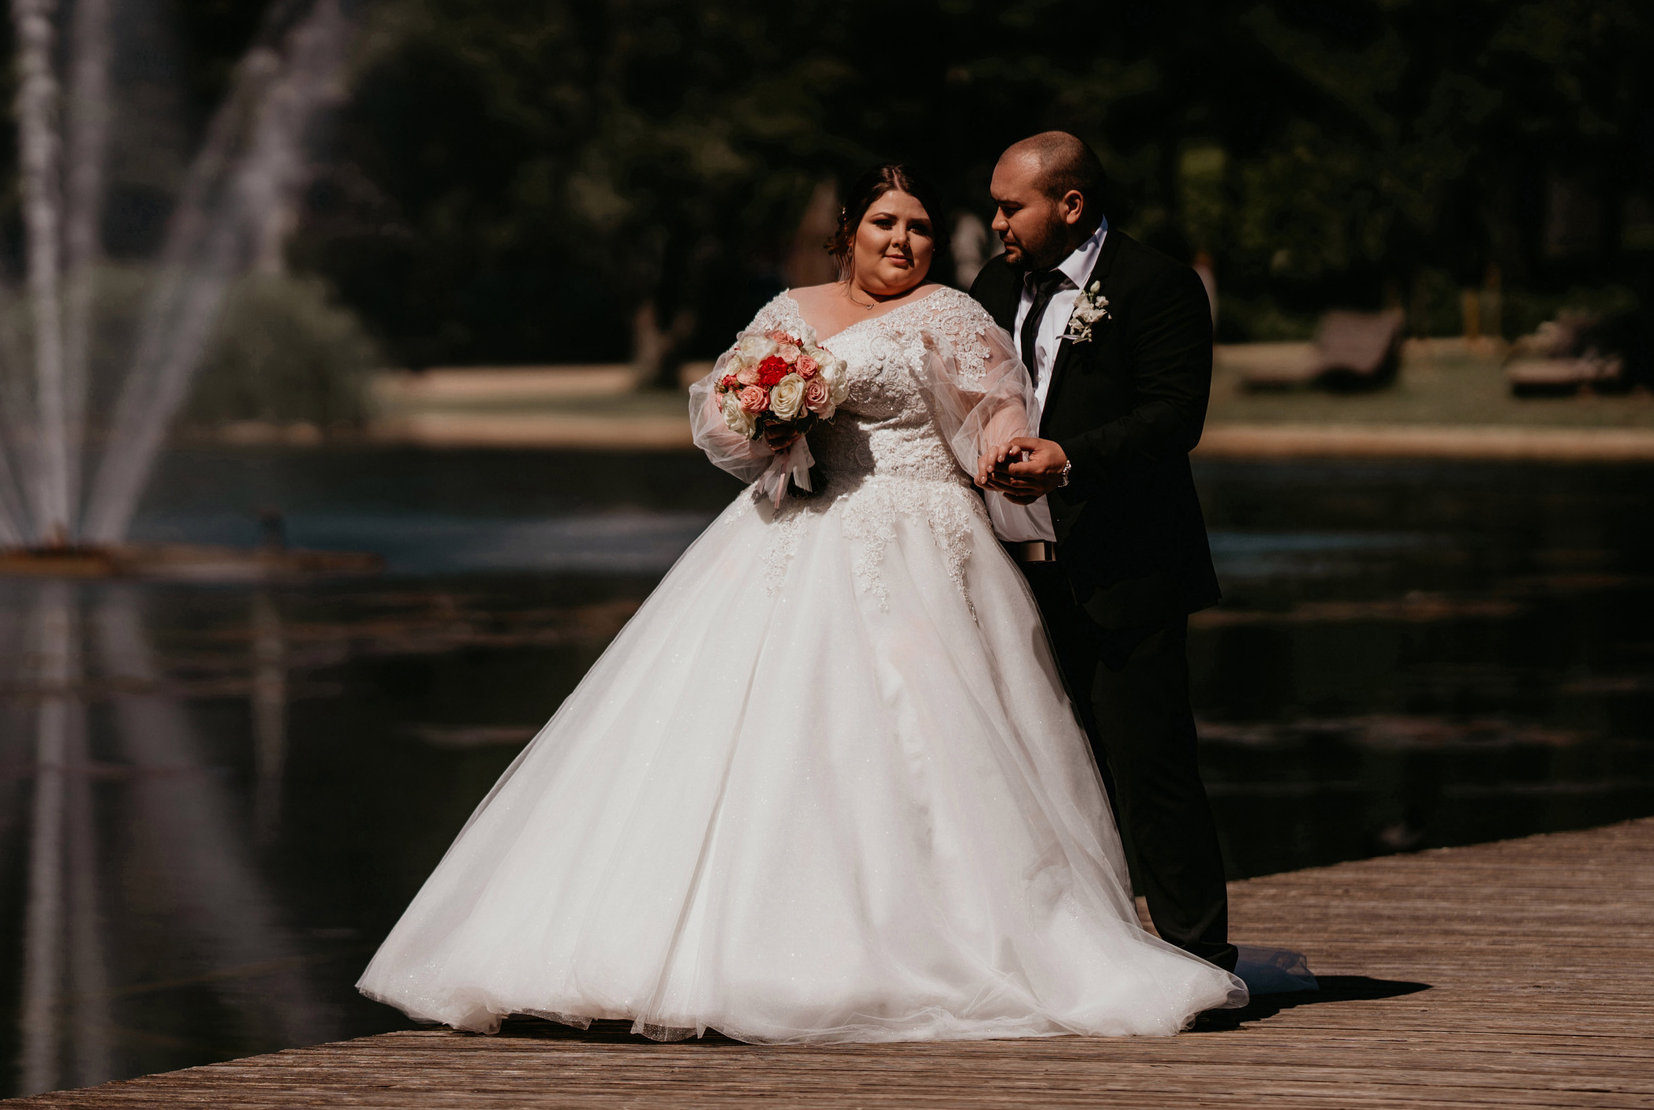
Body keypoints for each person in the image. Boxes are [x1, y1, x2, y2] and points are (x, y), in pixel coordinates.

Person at [357, 164, 1250, 1043]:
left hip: (924, 538)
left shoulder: (952, 309)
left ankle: (965, 937)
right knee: (749, 733)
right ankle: (705, 943)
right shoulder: (788, 312)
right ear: (848, 233)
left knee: (925, 738)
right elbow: (721, 414)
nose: (903, 241)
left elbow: (996, 415)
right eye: (885, 224)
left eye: (920, 228)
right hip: (794, 530)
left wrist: (1016, 455)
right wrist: (767, 423)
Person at [969, 132, 1244, 975]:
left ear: (1071, 204)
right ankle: (1087, 953)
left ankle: (1199, 954)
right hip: (1019, 579)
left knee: (1150, 767)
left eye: (1011, 205)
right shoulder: (989, 287)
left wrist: (1069, 457)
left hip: (1127, 572)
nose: (995, 221)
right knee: (1048, 774)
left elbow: (1174, 416)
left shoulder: (1156, 285)